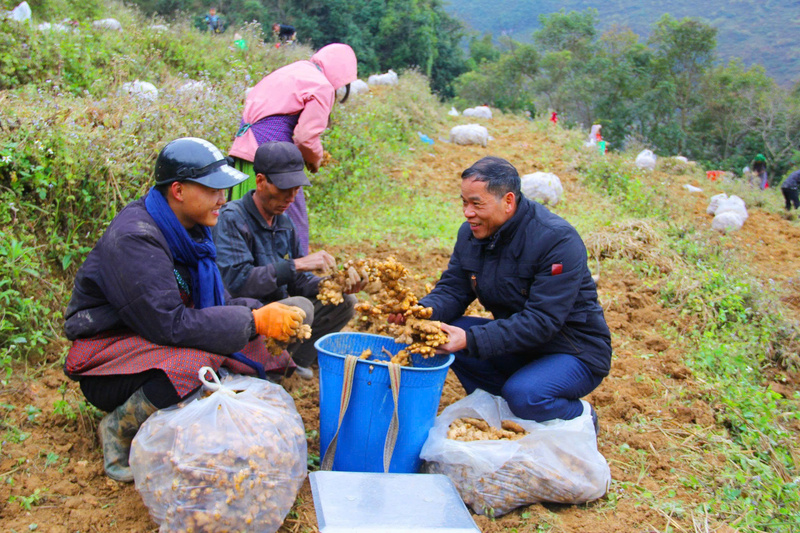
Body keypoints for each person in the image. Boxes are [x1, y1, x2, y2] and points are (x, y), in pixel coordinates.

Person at [62, 137, 308, 483]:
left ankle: (182, 423)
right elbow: (170, 325)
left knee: (255, 342)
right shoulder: (136, 238)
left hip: (151, 337)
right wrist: (252, 320)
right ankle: (117, 429)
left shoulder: (192, 232)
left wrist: (259, 315)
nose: (223, 199)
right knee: (197, 364)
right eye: (212, 190)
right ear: (178, 190)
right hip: (110, 358)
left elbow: (216, 304)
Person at [396, 156, 612, 428]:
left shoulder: (556, 240)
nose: (467, 212)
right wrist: (419, 311)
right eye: (464, 202)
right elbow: (453, 289)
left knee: (525, 395)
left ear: (508, 201)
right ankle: (506, 410)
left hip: (573, 350)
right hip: (520, 344)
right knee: (442, 334)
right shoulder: (471, 235)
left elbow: (542, 321)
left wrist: (470, 339)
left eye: (476, 203)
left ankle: (579, 415)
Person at [213, 142, 361, 380]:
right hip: (247, 315)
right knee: (300, 308)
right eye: (284, 188)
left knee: (345, 300)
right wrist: (298, 264)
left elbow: (298, 281)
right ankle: (266, 374)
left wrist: (333, 285)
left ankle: (295, 362)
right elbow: (237, 283)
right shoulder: (232, 218)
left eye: (296, 189)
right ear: (260, 181)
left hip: (281, 309)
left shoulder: (284, 223)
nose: (291, 197)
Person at [228, 43, 358, 256]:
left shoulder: (294, 70)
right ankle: (295, 277)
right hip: (274, 160)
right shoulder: (322, 86)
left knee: (239, 224)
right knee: (292, 222)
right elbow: (305, 138)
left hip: (244, 150)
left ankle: (241, 281)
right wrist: (315, 159)